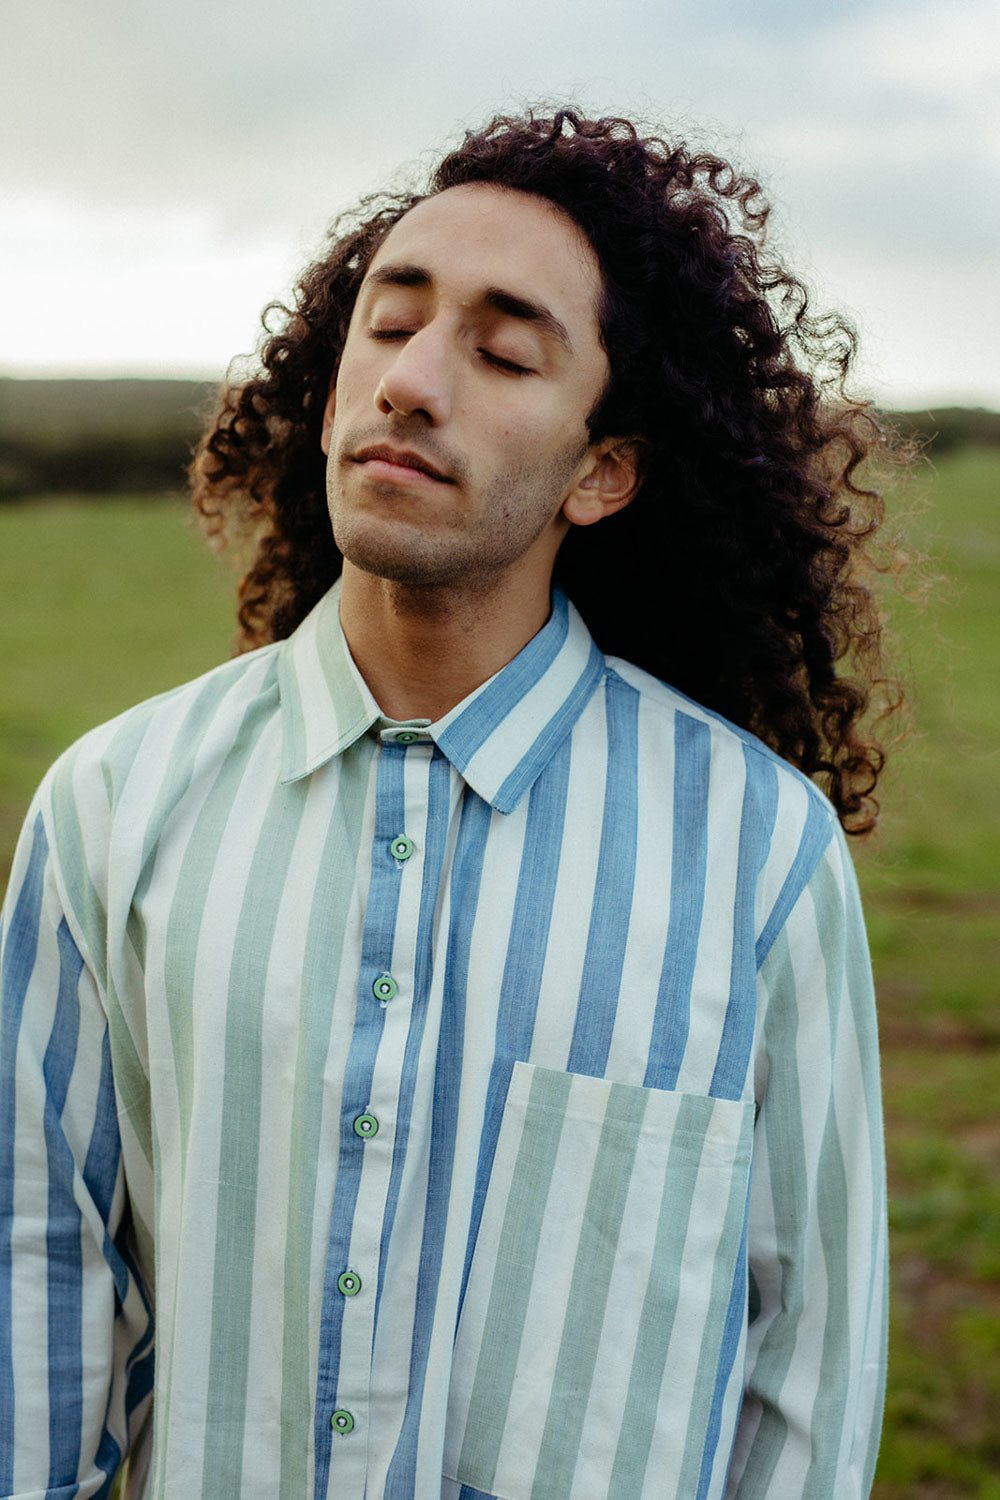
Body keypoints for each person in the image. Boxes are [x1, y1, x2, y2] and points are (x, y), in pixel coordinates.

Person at [0, 109, 895, 1499]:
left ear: (603, 471)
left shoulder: (757, 855)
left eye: (502, 351)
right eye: (389, 324)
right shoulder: (111, 809)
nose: (413, 382)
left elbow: (808, 1368)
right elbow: (34, 1270)